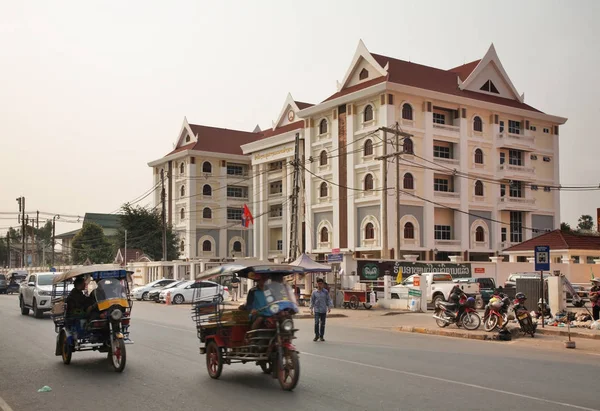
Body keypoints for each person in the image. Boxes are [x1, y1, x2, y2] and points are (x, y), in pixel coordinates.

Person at [310, 278, 332, 342]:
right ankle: (316, 335)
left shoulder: (325, 292)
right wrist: (311, 309)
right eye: (318, 284)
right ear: (317, 284)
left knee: (322, 324)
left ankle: (321, 336)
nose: (320, 285)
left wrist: (329, 307)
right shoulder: (314, 292)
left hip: (323, 310)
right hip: (316, 310)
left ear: (323, 284)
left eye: (321, 284)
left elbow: (328, 299)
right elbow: (312, 300)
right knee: (316, 323)